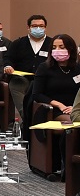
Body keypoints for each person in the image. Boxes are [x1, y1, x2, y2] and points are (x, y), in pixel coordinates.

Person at [31, 33, 80, 173]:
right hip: (53, 109)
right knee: (73, 123)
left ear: (70, 49)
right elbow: (37, 94)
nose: (57, 50)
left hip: (74, 107)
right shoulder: (44, 68)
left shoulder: (77, 68)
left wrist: (74, 106)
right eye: (54, 47)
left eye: (61, 47)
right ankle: (68, 167)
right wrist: (59, 105)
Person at [4, 14, 51, 118]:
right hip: (21, 79)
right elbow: (8, 58)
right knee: (16, 86)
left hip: (44, 79)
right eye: (34, 26)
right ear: (28, 27)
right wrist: (8, 66)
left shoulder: (52, 43)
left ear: (45, 28)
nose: (38, 29)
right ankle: (27, 118)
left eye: (41, 26)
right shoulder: (18, 43)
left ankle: (38, 118)